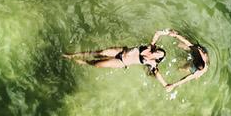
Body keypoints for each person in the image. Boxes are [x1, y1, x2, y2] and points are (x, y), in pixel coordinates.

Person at [64, 29, 211, 93]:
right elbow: (156, 36)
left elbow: (159, 76)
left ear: (158, 59)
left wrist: (168, 85)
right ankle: (72, 55)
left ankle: (82, 62)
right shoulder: (150, 47)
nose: (157, 52)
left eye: (159, 54)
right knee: (99, 52)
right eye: (158, 51)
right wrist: (170, 34)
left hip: (122, 63)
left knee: (95, 64)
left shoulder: (153, 64)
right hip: (121, 51)